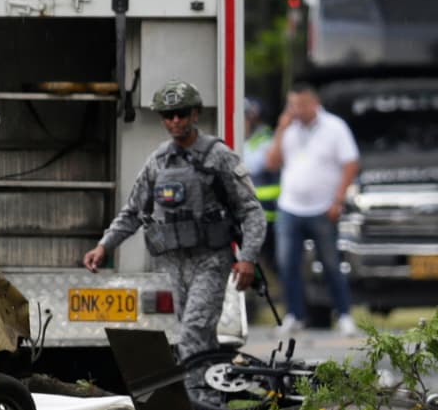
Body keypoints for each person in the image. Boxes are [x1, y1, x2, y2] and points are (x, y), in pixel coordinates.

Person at [82, 80, 267, 362]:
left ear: (195, 114)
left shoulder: (218, 156)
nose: (176, 120)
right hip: (171, 263)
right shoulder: (158, 162)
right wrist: (104, 246)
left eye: (182, 113)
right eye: (169, 115)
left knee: (193, 330)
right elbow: (133, 212)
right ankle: (207, 397)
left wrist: (248, 258)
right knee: (189, 335)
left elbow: (251, 211)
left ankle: (195, 396)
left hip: (210, 260)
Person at [264, 81, 360, 335]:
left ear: (315, 102)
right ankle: (294, 315)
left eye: (302, 104)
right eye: (293, 104)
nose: (298, 109)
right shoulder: (288, 129)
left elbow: (350, 163)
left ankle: (344, 314)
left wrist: (338, 200)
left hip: (323, 207)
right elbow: (272, 163)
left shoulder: (334, 127)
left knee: (330, 264)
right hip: (290, 207)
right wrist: (281, 130)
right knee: (287, 264)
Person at [242, 96, 280, 268]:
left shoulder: (266, 139)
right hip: (248, 213)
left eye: (245, 118)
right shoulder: (244, 140)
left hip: (268, 212)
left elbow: (252, 166)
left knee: (270, 262)